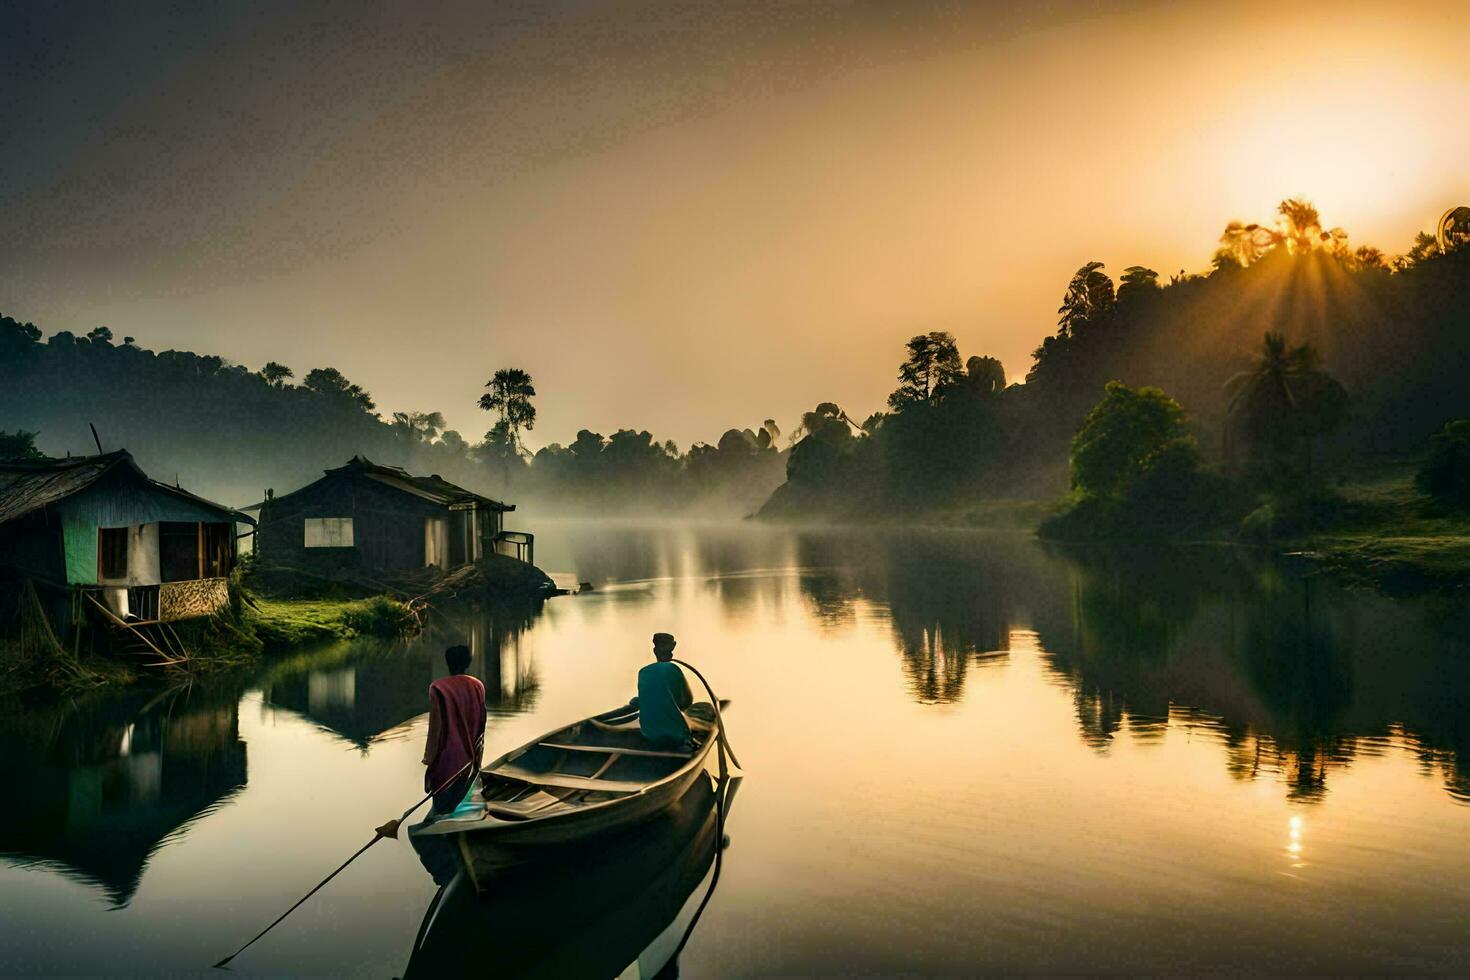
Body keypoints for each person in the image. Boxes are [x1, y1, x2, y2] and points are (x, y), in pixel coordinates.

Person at [422, 644, 486, 815]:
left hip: (447, 759)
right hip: (470, 757)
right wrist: (478, 758)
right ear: (468, 663)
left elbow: (435, 728)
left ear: (447, 662)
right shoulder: (478, 685)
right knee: (461, 801)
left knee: (443, 808)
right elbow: (481, 724)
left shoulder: (438, 687)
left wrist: (429, 758)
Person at [634, 632, 714, 749]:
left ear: (655, 651)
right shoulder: (673, 669)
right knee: (700, 717)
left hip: (649, 734)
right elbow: (686, 702)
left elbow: (644, 700)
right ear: (671, 649)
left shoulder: (643, 672)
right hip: (675, 736)